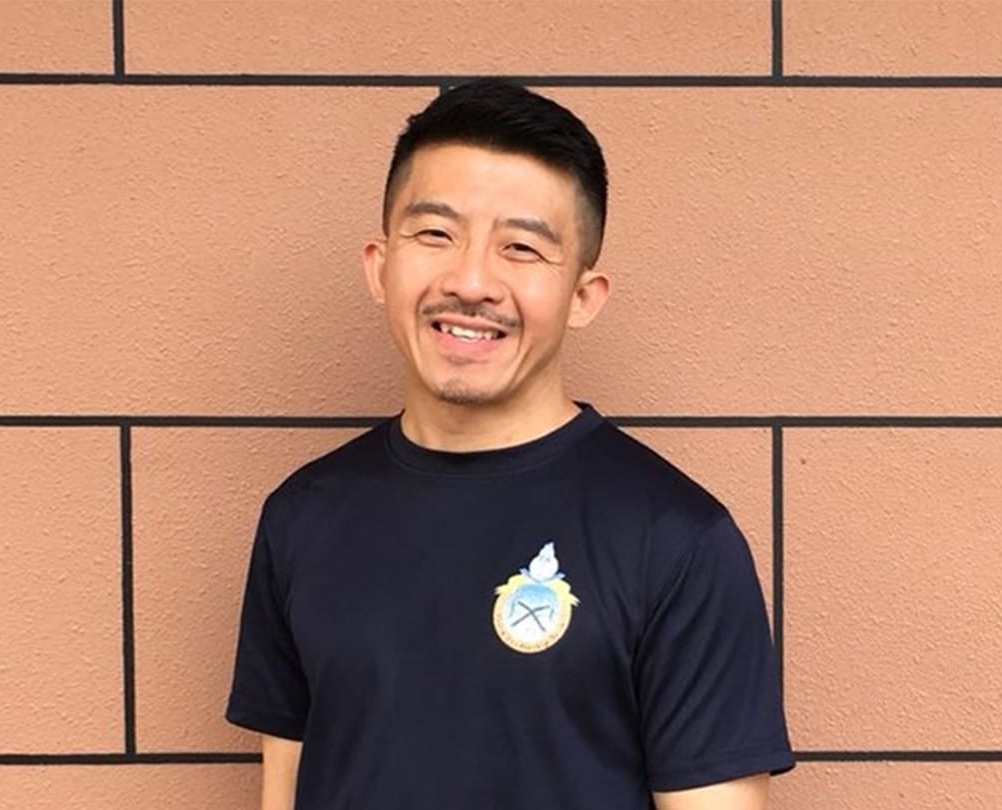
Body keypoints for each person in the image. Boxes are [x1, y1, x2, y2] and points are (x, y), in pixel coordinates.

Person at [226, 79, 794, 810]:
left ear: (583, 296)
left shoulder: (677, 541)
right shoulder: (301, 517)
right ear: (379, 263)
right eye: (436, 234)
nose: (470, 281)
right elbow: (287, 790)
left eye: (522, 248)